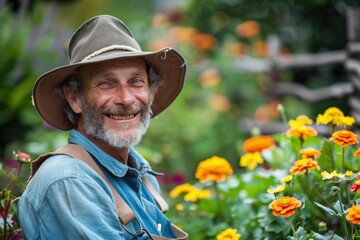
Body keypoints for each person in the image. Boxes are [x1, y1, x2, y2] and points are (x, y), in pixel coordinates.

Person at [18, 15, 187, 239]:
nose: (126, 99)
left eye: (136, 81)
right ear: (74, 99)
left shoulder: (142, 176)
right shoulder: (69, 182)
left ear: (151, 92)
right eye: (106, 83)